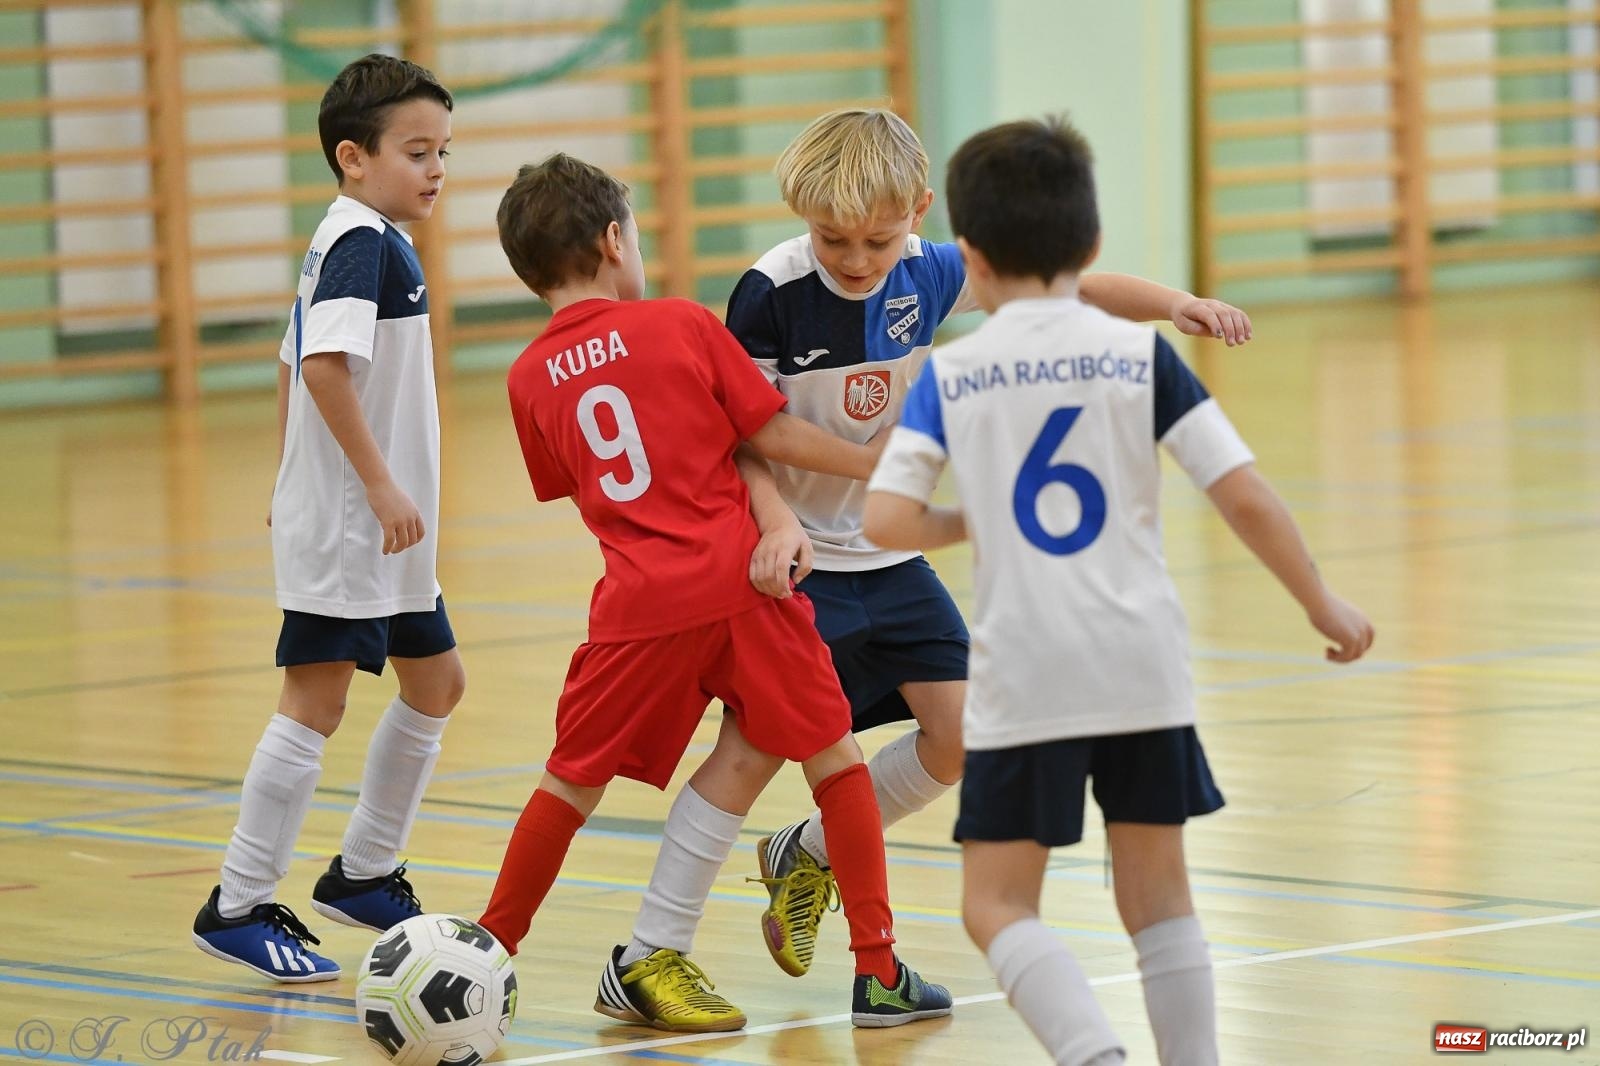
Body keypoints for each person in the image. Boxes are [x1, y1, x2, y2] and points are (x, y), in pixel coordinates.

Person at [625, 106, 1255, 983]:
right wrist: (786, 515)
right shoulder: (771, 291)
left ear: (919, 212)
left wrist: (1177, 305)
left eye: (877, 241)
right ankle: (650, 949)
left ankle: (804, 853)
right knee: (749, 753)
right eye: (832, 238)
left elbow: (1069, 288)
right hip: (798, 562)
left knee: (962, 735)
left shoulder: (929, 271)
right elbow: (745, 433)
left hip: (890, 559)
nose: (855, 259)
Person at [861, 116, 1375, 1065]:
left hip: (1028, 670)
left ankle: (1094, 1055)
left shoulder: (954, 374)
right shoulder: (1141, 358)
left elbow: (887, 523)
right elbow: (1243, 494)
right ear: (1092, 245)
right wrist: (1322, 603)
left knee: (997, 904)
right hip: (1141, 662)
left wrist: (971, 522)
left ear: (969, 257)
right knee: (1160, 899)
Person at [476, 153, 953, 1033]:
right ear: (614, 240)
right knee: (837, 764)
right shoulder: (682, 325)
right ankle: (878, 973)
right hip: (744, 590)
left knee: (568, 784)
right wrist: (875, 464)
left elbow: (575, 484)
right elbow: (766, 433)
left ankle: (484, 953)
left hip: (635, 608)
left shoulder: (526, 377)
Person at [191, 54, 465, 983]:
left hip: (379, 533)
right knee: (317, 702)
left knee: (438, 683)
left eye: (443, 152)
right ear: (353, 156)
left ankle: (364, 872)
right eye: (417, 152)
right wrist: (376, 486)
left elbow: (288, 356)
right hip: (357, 527)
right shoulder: (359, 241)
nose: (436, 169)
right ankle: (236, 904)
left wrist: (288, 475)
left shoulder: (361, 237)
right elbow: (318, 367)